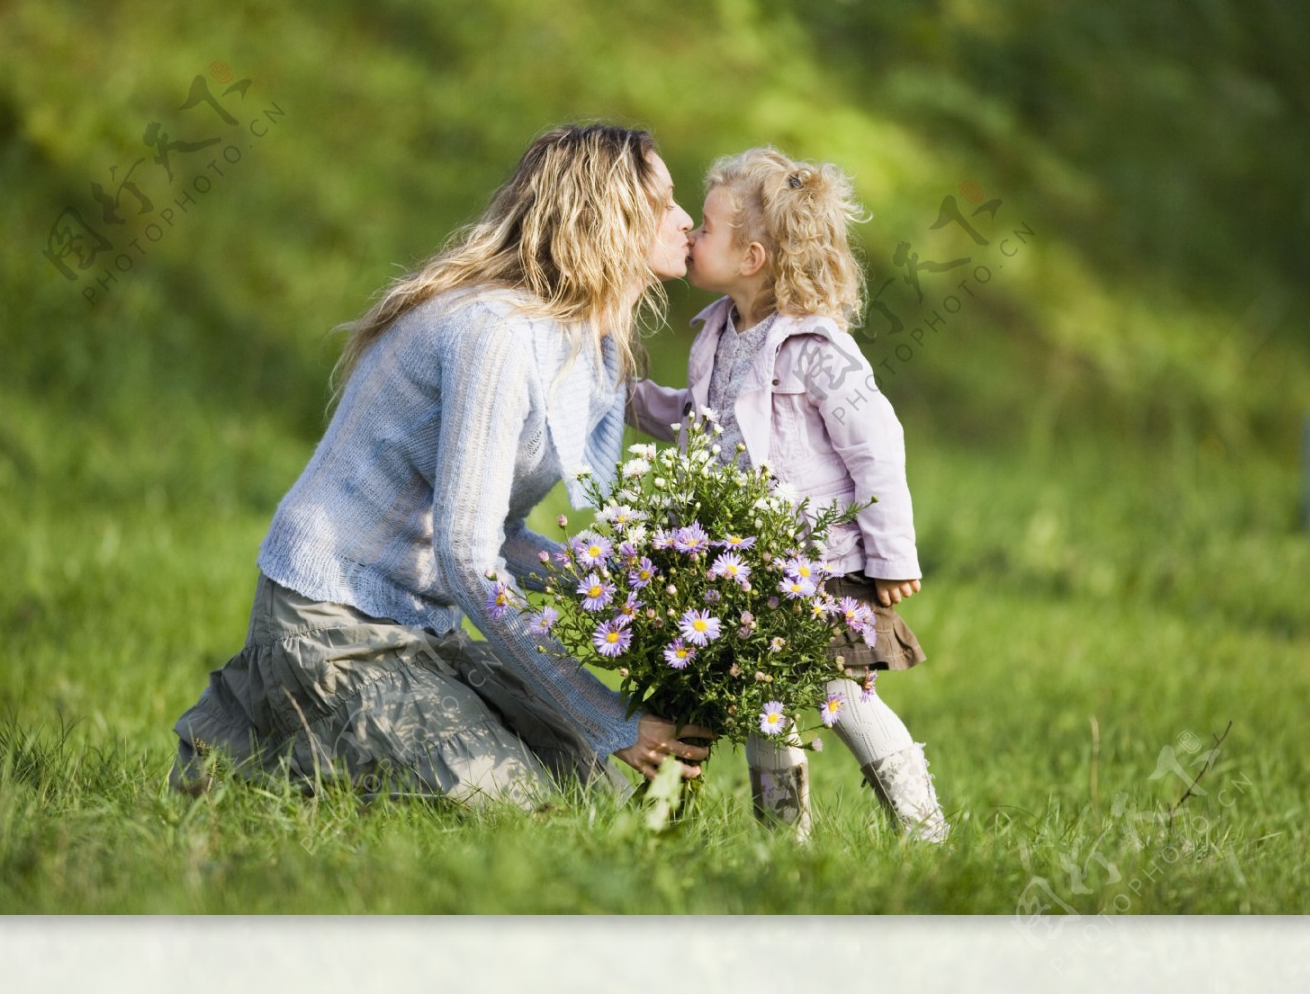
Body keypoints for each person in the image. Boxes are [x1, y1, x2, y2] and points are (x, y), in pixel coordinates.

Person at [170, 124, 713, 809]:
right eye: (663, 200)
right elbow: (467, 554)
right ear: (605, 216)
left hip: (424, 626)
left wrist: (621, 592)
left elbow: (498, 534)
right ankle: (274, 735)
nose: (686, 217)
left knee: (588, 794)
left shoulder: (582, 345)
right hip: (334, 622)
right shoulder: (500, 336)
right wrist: (603, 714)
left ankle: (299, 741)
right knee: (517, 808)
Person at [627, 146, 948, 843]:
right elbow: (701, 418)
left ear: (752, 258)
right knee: (762, 704)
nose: (690, 235)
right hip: (753, 566)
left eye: (705, 227)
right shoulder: (720, 332)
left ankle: (921, 822)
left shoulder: (815, 348)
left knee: (841, 695)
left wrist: (892, 555)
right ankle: (782, 841)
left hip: (822, 566)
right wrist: (632, 400)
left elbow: (877, 446)